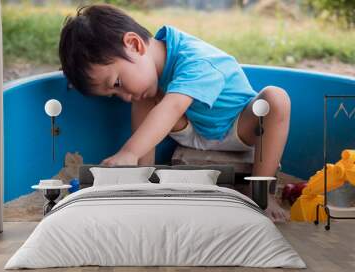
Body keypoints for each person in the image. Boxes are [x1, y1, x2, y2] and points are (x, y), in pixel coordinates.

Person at [58, 4, 291, 222]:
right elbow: (165, 105)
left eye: (117, 83)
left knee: (275, 99)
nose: (124, 97)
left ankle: (261, 191)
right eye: (113, 94)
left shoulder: (197, 60)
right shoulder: (149, 72)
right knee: (144, 92)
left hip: (238, 128)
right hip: (192, 127)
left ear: (135, 45)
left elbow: (174, 107)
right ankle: (142, 174)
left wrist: (128, 152)